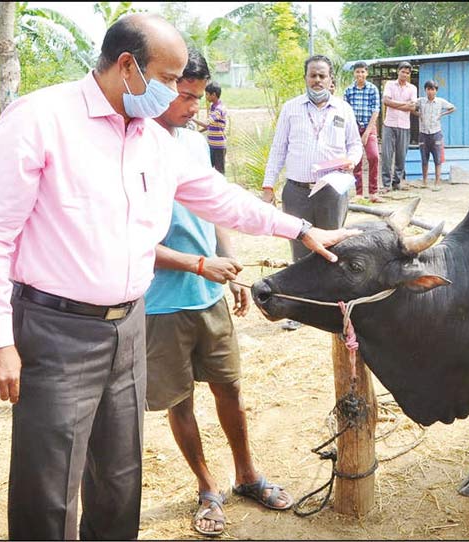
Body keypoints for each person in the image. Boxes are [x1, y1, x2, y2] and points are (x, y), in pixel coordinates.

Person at [0, 14, 356, 540]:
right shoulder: (40, 119)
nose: (176, 92)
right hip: (55, 330)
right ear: (127, 67)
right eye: (168, 79)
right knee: (48, 486)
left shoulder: (150, 137)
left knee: (120, 477)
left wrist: (302, 228)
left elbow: (219, 197)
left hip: (129, 327)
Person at [147, 48, 294, 537]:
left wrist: (226, 269)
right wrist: (200, 264)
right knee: (179, 400)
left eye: (198, 96)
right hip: (160, 303)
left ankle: (246, 474)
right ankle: (207, 486)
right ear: (160, 87)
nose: (195, 106)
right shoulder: (131, 144)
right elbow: (128, 242)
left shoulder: (193, 144)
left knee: (229, 387)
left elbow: (212, 209)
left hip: (208, 293)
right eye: (186, 96)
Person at [261, 54, 362, 331]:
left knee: (333, 249)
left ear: (331, 80)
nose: (317, 80)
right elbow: (278, 150)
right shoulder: (291, 109)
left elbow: (355, 145)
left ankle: (335, 309)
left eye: (322, 76)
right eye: (312, 75)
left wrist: (352, 159)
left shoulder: (343, 109)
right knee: (299, 249)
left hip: (332, 190)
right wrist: (268, 186)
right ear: (305, 78)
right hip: (296, 191)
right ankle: (299, 310)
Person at [344, 61, 383, 203]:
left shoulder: (372, 89)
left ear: (367, 73)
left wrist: (367, 132)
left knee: (373, 157)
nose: (360, 74)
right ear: (354, 73)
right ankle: (359, 192)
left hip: (369, 127)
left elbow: (376, 111)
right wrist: (353, 131)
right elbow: (346, 112)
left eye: (362, 72)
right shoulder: (348, 91)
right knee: (357, 160)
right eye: (357, 72)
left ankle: (373, 192)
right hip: (353, 128)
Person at [413, 79, 456, 191]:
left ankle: (437, 182)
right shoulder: (420, 101)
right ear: (425, 90)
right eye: (428, 89)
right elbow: (411, 108)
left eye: (433, 89)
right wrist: (418, 114)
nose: (430, 92)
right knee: (424, 158)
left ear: (436, 90)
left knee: (438, 159)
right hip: (423, 133)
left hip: (436, 133)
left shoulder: (440, 102)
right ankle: (424, 181)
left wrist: (442, 114)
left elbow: (453, 108)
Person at [381, 61, 417, 192]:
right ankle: (386, 184)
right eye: (403, 71)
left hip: (404, 126)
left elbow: (413, 106)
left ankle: (397, 182)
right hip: (389, 124)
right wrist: (404, 105)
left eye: (407, 73)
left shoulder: (412, 88)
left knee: (401, 155)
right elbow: (385, 101)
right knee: (386, 155)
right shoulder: (390, 84)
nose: (405, 74)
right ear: (398, 71)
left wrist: (394, 103)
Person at [196, 81, 227, 174]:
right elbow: (210, 126)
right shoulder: (213, 107)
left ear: (214, 95)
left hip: (218, 146)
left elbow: (207, 124)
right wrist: (198, 132)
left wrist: (191, 119)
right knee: (208, 169)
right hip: (211, 145)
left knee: (219, 172)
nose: (206, 97)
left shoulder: (219, 109)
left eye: (207, 94)